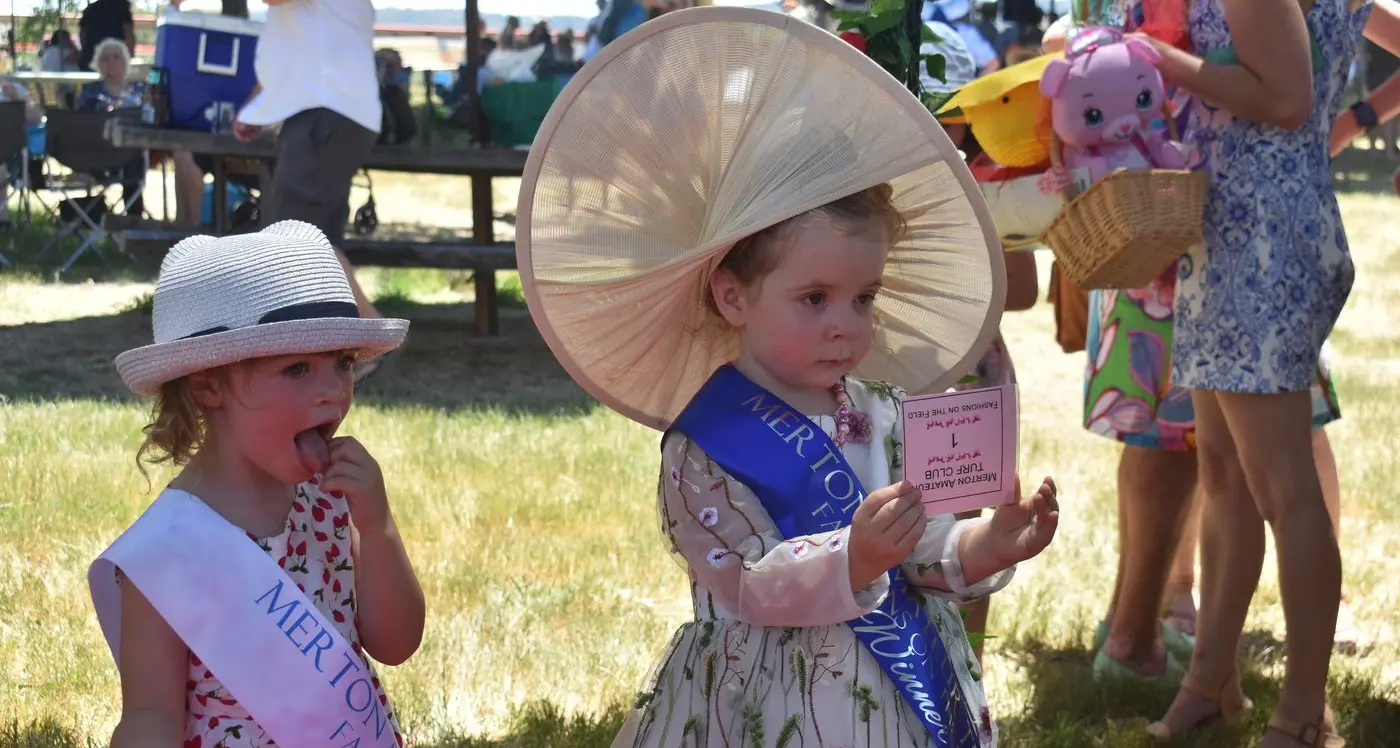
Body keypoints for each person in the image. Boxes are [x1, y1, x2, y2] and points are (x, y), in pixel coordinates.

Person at [514, 9, 1060, 747]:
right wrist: (853, 558)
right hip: (771, 705)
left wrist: (989, 542)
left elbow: (922, 551)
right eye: (814, 299)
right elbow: (745, 584)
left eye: (864, 298)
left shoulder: (889, 413)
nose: (846, 324)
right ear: (733, 296)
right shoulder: (706, 443)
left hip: (898, 702)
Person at [1130, 0, 1387, 744]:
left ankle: (1305, 713)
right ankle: (1212, 683)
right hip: (1237, 227)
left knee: (1284, 490)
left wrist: (1158, 58)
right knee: (1223, 474)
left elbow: (1287, 98)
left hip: (1264, 238)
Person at [90, 221, 424, 747]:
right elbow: (150, 713)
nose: (333, 391)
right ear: (208, 385)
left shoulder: (331, 505)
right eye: (297, 369)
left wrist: (378, 527)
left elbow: (396, 644)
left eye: (341, 364)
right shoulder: (168, 550)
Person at [228, 0, 388, 380]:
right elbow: (302, 42)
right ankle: (334, 350)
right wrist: (260, 102)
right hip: (331, 113)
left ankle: (371, 338)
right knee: (315, 238)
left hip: (326, 113)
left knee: (297, 239)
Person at [76, 38, 205, 226]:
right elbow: (84, 125)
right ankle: (131, 220)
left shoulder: (140, 90)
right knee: (133, 162)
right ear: (98, 64)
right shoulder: (90, 93)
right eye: (105, 58)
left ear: (126, 62)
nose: (111, 62)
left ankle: (145, 219)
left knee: (171, 154)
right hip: (101, 154)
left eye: (117, 57)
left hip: (141, 152)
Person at [78, 0, 134, 72]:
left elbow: (82, 35)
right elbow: (128, 34)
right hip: (114, 60)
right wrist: (128, 57)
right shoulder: (122, 7)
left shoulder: (90, 9)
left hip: (90, 58)